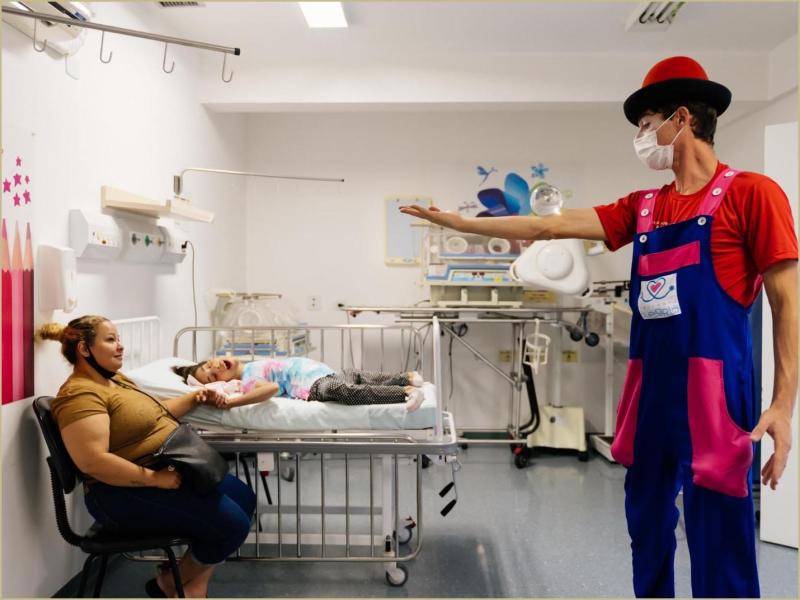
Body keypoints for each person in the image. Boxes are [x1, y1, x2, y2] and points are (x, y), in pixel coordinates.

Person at [401, 56, 797, 598]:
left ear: (681, 119)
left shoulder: (754, 194)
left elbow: (787, 303)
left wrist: (782, 405)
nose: (641, 137)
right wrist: (461, 223)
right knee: (647, 525)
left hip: (715, 395)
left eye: (645, 123)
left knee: (719, 537)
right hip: (651, 390)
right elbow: (549, 223)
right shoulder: (644, 208)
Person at [38, 316, 256, 598]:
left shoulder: (114, 380)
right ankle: (170, 584)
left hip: (160, 470)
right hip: (118, 494)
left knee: (245, 499)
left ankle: (190, 583)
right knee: (232, 526)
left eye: (118, 339)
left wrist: (194, 397)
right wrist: (154, 479)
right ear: (84, 349)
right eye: (111, 340)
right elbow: (92, 462)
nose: (120, 346)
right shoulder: (79, 395)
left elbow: (152, 415)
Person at [172, 356, 427, 411]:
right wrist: (231, 402)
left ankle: (404, 377)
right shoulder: (248, 380)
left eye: (209, 364)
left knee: (356, 377)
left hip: (319, 372)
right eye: (212, 377)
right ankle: (403, 392)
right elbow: (271, 389)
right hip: (313, 385)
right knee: (346, 390)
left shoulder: (250, 364)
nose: (214, 368)